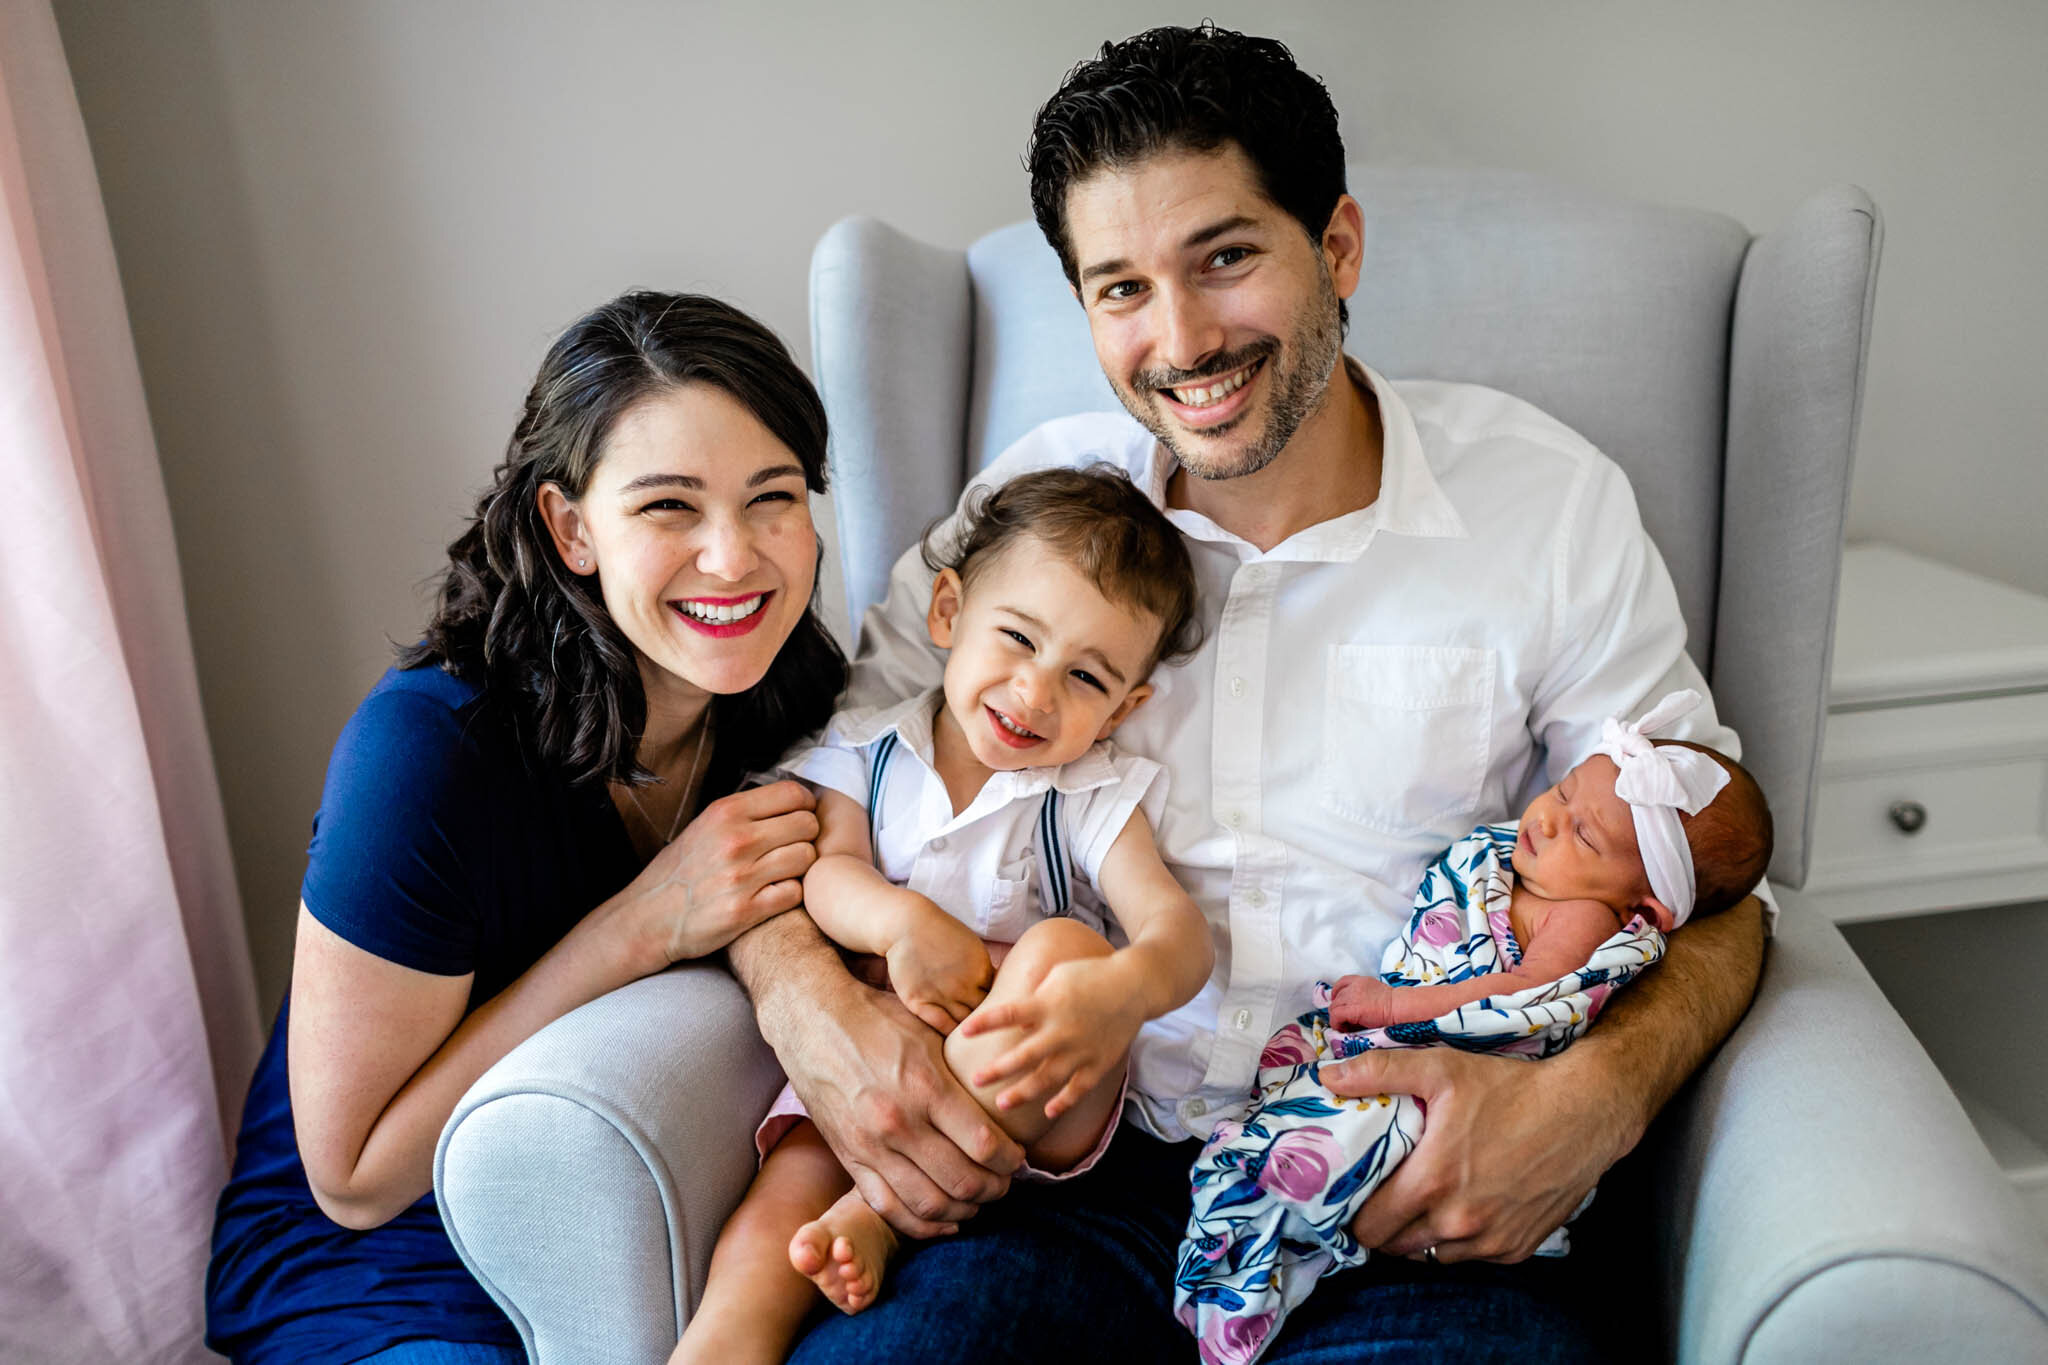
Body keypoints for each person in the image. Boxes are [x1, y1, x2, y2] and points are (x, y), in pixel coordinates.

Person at [727, 23, 1770, 1363]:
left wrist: (1601, 1097)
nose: (1180, 341)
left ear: (1335, 248)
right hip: (1063, 1163)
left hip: (1395, 1183)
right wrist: (811, 1009)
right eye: (1120, 288)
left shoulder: (1548, 507)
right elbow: (812, 802)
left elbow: (1723, 892)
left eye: (1225, 258)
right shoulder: (1032, 517)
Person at [205, 291, 846, 1364]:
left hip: (653, 1203)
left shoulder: (798, 698)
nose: (734, 559)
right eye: (668, 508)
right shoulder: (427, 752)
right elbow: (352, 1177)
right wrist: (638, 926)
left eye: (771, 497)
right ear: (571, 528)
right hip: (380, 1257)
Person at [672, 467, 1214, 1364]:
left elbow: (1175, 929)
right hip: (867, 1076)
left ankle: (880, 1214)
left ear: (1127, 707)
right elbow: (825, 872)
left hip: (1029, 1096)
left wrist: (1121, 991)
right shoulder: (868, 751)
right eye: (1017, 639)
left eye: (1085, 677)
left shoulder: (1090, 793)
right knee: (770, 1224)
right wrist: (896, 922)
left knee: (1065, 946)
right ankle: (718, 1343)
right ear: (948, 612)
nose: (1036, 693)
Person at [1176, 692, 1776, 1364]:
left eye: (1584, 835)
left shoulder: (1583, 918)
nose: (1548, 818)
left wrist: (1394, 1006)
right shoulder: (1526, 869)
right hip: (1143, 1140)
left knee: (1334, 1147)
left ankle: (1259, 1257)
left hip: (1447, 1079)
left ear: (1647, 904)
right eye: (1563, 790)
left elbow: (1523, 995)